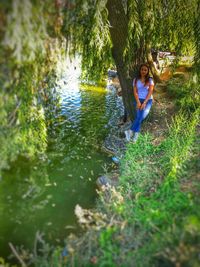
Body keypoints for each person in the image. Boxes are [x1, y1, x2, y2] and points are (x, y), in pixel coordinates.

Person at [125, 63, 154, 142]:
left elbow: (150, 91)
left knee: (141, 117)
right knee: (139, 117)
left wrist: (144, 102)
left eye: (145, 70)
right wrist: (138, 102)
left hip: (148, 100)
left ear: (148, 71)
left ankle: (129, 131)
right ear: (140, 70)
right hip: (138, 99)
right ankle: (135, 136)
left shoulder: (150, 80)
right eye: (142, 69)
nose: (143, 71)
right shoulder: (135, 80)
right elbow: (135, 92)